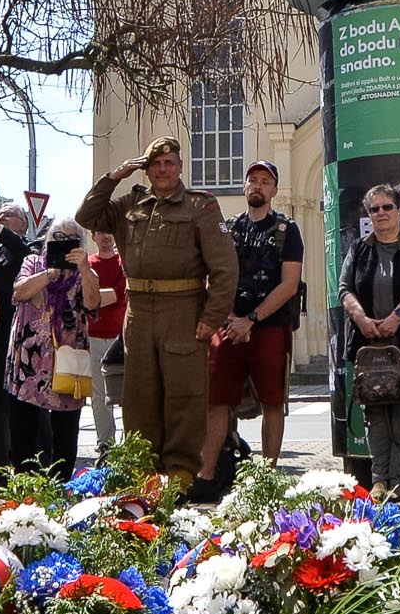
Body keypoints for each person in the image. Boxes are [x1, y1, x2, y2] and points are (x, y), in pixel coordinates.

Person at [77, 141, 236, 487]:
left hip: (184, 308)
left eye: (169, 163)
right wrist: (115, 176)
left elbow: (225, 268)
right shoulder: (130, 204)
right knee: (139, 395)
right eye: (155, 164)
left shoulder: (200, 206)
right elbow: (86, 216)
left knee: (184, 393)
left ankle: (180, 472)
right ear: (145, 170)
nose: (162, 169)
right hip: (138, 312)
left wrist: (211, 317)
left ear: (180, 167)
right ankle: (145, 473)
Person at [337, 185, 400, 501]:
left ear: (399, 211)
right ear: (368, 215)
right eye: (374, 209)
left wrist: (396, 316)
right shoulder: (359, 249)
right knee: (376, 413)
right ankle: (379, 480)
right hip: (369, 345)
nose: (381, 213)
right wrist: (362, 320)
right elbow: (344, 289)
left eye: (387, 207)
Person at [205, 161, 304, 471]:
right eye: (253, 180)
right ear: (244, 187)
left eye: (265, 181)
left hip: (270, 326)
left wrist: (252, 320)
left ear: (274, 190)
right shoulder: (230, 228)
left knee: (272, 402)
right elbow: (214, 278)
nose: (258, 185)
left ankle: (267, 474)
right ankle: (206, 473)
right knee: (217, 400)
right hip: (229, 324)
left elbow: (289, 285)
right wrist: (233, 318)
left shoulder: (288, 230)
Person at [5, 218, 104, 479]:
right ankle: (25, 483)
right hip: (30, 357)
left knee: (66, 426)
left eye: (70, 239)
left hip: (67, 360)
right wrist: (50, 273)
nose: (62, 243)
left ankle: (61, 482)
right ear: (48, 241)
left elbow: (93, 304)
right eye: (57, 238)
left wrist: (84, 270)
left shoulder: (86, 272)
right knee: (23, 423)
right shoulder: (33, 263)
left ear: (81, 245)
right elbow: (19, 292)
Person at [0, 203, 33, 467]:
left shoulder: (29, 249)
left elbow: (22, 252)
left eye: (9, 216)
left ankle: (24, 462)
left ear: (23, 224)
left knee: (20, 405)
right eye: (0, 216)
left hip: (21, 337)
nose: (1, 219)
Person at [83, 229, 126, 454]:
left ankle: (130, 443)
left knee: (127, 394)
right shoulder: (87, 265)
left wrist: (91, 298)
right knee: (99, 395)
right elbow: (81, 298)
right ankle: (105, 444)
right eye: (101, 233)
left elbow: (117, 295)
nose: (107, 236)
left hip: (121, 338)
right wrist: (93, 298)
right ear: (93, 237)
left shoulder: (124, 263)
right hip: (93, 337)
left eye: (110, 231)